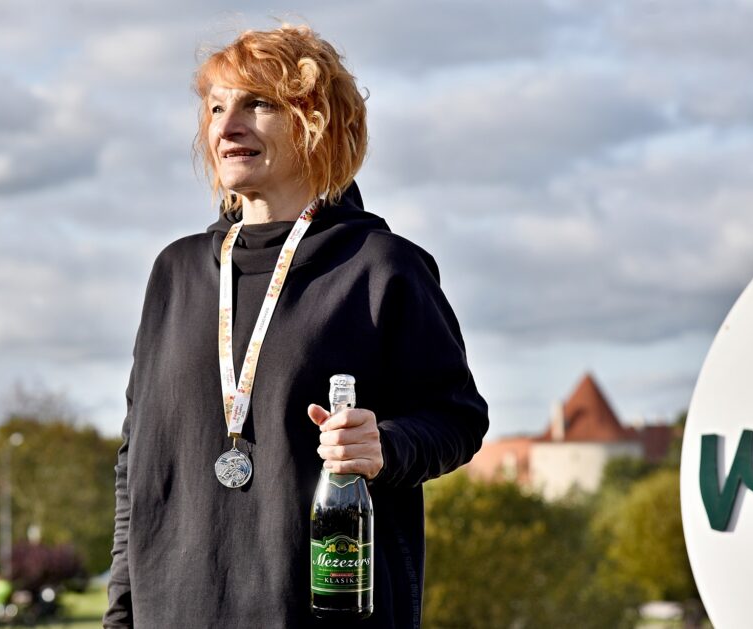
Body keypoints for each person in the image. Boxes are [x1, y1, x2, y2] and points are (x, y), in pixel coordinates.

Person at [103, 24, 489, 629]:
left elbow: (457, 418)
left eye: (257, 104)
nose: (227, 127)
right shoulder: (175, 272)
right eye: (216, 108)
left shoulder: (381, 267)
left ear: (316, 122)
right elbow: (137, 466)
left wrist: (386, 445)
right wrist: (120, 614)